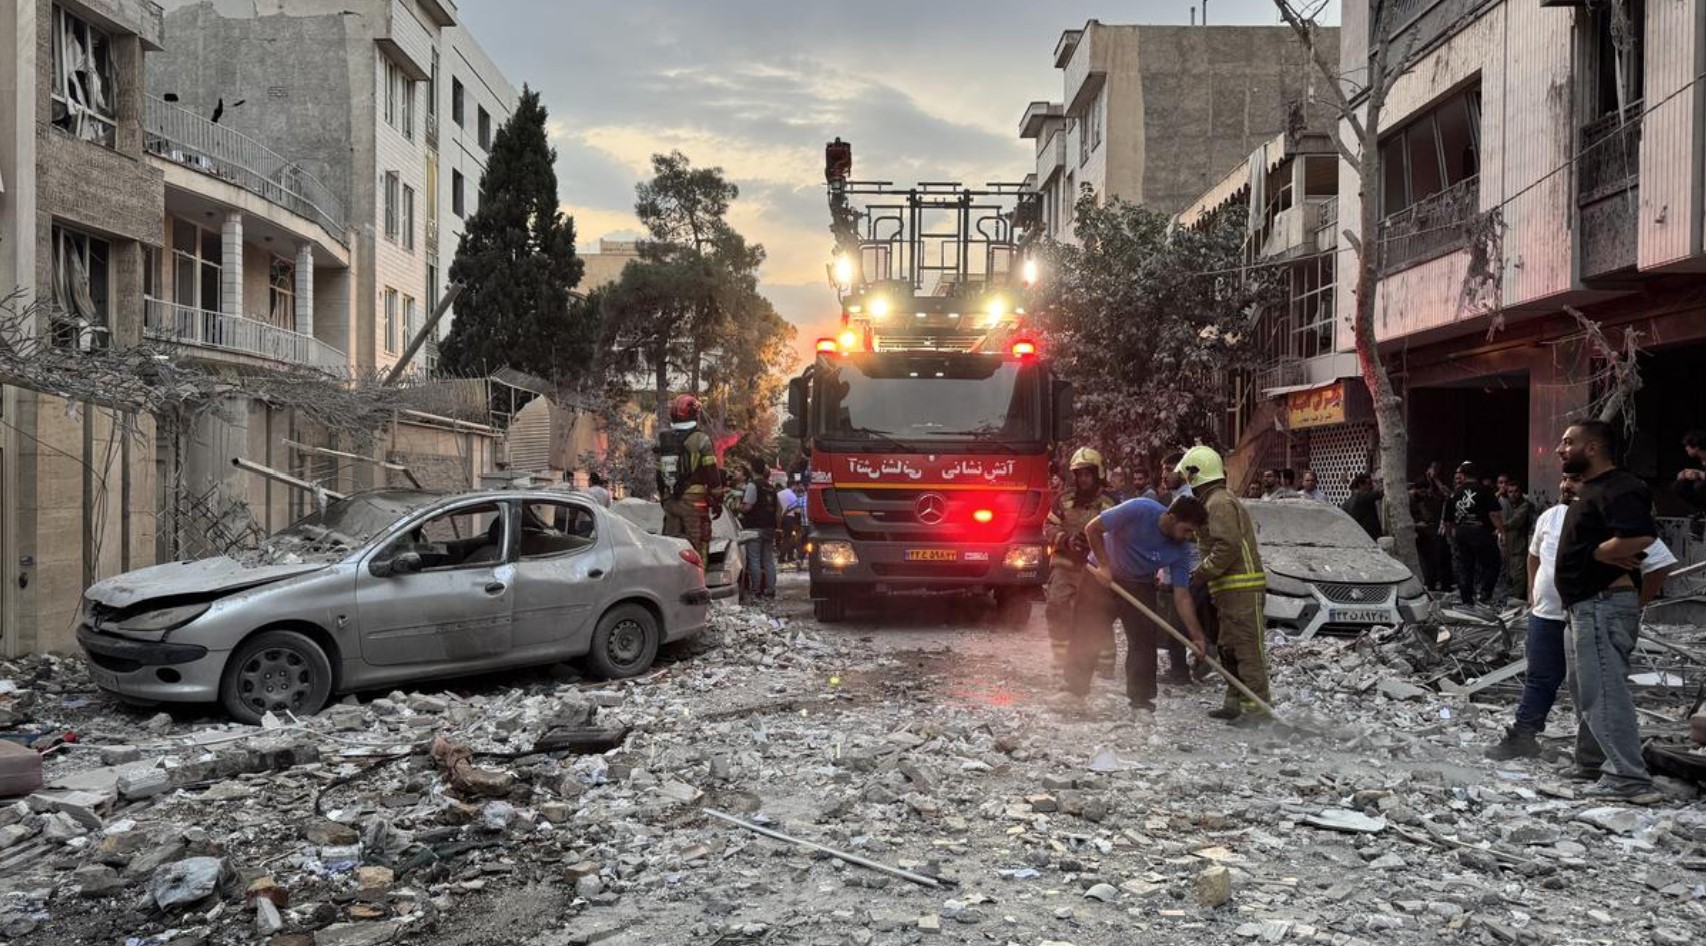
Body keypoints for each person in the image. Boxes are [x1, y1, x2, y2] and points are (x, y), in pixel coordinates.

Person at [1486, 474, 1679, 761]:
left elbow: (1660, 564)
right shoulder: (1550, 516)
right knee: (1540, 676)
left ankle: (1602, 757)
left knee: (1590, 687)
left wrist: (1633, 605)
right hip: (1546, 615)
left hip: (1589, 616)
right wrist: (1532, 593)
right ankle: (1524, 735)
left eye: (1575, 479)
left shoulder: (1610, 518)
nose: (1565, 485)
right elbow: (1534, 555)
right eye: (1563, 479)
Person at [1554, 419, 1662, 802]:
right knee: (1586, 689)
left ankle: (1627, 777)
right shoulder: (1590, 489)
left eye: (1568, 442)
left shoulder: (1621, 487)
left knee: (1604, 690)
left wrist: (1601, 552)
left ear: (1594, 447)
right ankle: (1591, 764)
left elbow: (1642, 534)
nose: (1560, 449)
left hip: (1602, 605)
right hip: (1583, 606)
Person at [1062, 494, 1210, 719]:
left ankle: (1141, 703)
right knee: (1087, 632)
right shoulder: (1139, 509)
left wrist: (1196, 635)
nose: (1189, 537)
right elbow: (1093, 528)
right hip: (1102, 575)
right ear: (1171, 518)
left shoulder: (1181, 549)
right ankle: (1074, 693)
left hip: (1139, 583)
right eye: (1187, 530)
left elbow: (1182, 595)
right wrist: (1104, 565)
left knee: (1143, 642)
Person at [1177, 446, 1272, 725]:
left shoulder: (1218, 503)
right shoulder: (1211, 503)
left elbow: (1226, 545)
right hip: (1228, 591)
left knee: (1247, 648)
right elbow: (1209, 541)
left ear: (1195, 475)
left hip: (1241, 589)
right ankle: (1235, 701)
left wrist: (1201, 572)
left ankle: (1257, 709)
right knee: (1229, 648)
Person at [1044, 449, 1120, 670]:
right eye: (1079, 474)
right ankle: (1061, 657)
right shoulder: (1064, 500)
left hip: (1096, 568)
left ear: (1098, 475)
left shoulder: (1110, 503)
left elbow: (1121, 534)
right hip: (1064, 564)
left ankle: (1105, 662)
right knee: (1056, 606)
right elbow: (1048, 526)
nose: (1083, 479)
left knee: (1097, 614)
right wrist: (1066, 540)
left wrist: (1097, 544)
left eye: (1088, 474)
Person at [657, 394, 721, 563]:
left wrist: (665, 498)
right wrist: (717, 498)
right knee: (698, 544)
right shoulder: (701, 440)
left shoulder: (665, 441)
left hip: (671, 501)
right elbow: (711, 472)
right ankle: (699, 582)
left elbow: (659, 474)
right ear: (695, 414)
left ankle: (675, 583)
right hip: (695, 502)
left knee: (671, 546)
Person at [1445, 461, 1504, 607]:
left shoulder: (1454, 494)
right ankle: (1484, 595)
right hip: (1481, 532)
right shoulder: (1485, 490)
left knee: (1465, 567)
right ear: (1476, 476)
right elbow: (1494, 514)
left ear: (1463, 476)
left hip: (1462, 533)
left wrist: (1450, 536)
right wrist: (1502, 532)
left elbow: (1448, 521)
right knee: (1492, 564)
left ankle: (1467, 600)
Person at [738, 459, 781, 600]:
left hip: (755, 527)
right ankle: (770, 589)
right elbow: (778, 510)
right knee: (768, 559)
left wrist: (738, 506)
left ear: (752, 469)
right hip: (769, 527)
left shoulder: (752, 485)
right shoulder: (771, 487)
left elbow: (748, 506)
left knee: (754, 559)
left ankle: (756, 589)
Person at [1501, 482, 1536, 601]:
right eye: (1510, 492)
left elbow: (1515, 521)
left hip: (1520, 548)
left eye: (1515, 491)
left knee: (1519, 578)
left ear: (1521, 492)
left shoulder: (1525, 506)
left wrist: (1499, 527)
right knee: (1510, 576)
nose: (1513, 494)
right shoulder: (1510, 505)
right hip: (1510, 548)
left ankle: (1516, 602)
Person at [1341, 474, 1383, 540]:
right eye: (1369, 484)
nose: (1371, 487)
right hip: (1369, 538)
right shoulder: (1363, 497)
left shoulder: (1345, 503)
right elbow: (1380, 493)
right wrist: (1379, 483)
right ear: (1360, 485)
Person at [1673, 430, 1706, 510]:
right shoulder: (1693, 459)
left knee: (1700, 486)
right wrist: (1683, 474)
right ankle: (1701, 510)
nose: (1686, 448)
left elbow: (1699, 474)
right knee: (1678, 485)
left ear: (1696, 448)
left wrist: (1698, 474)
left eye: (1688, 446)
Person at [777, 476, 803, 566]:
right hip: (790, 518)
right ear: (793, 485)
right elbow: (797, 509)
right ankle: (782, 557)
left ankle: (788, 556)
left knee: (784, 537)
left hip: (780, 517)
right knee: (788, 538)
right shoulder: (792, 495)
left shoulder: (779, 493)